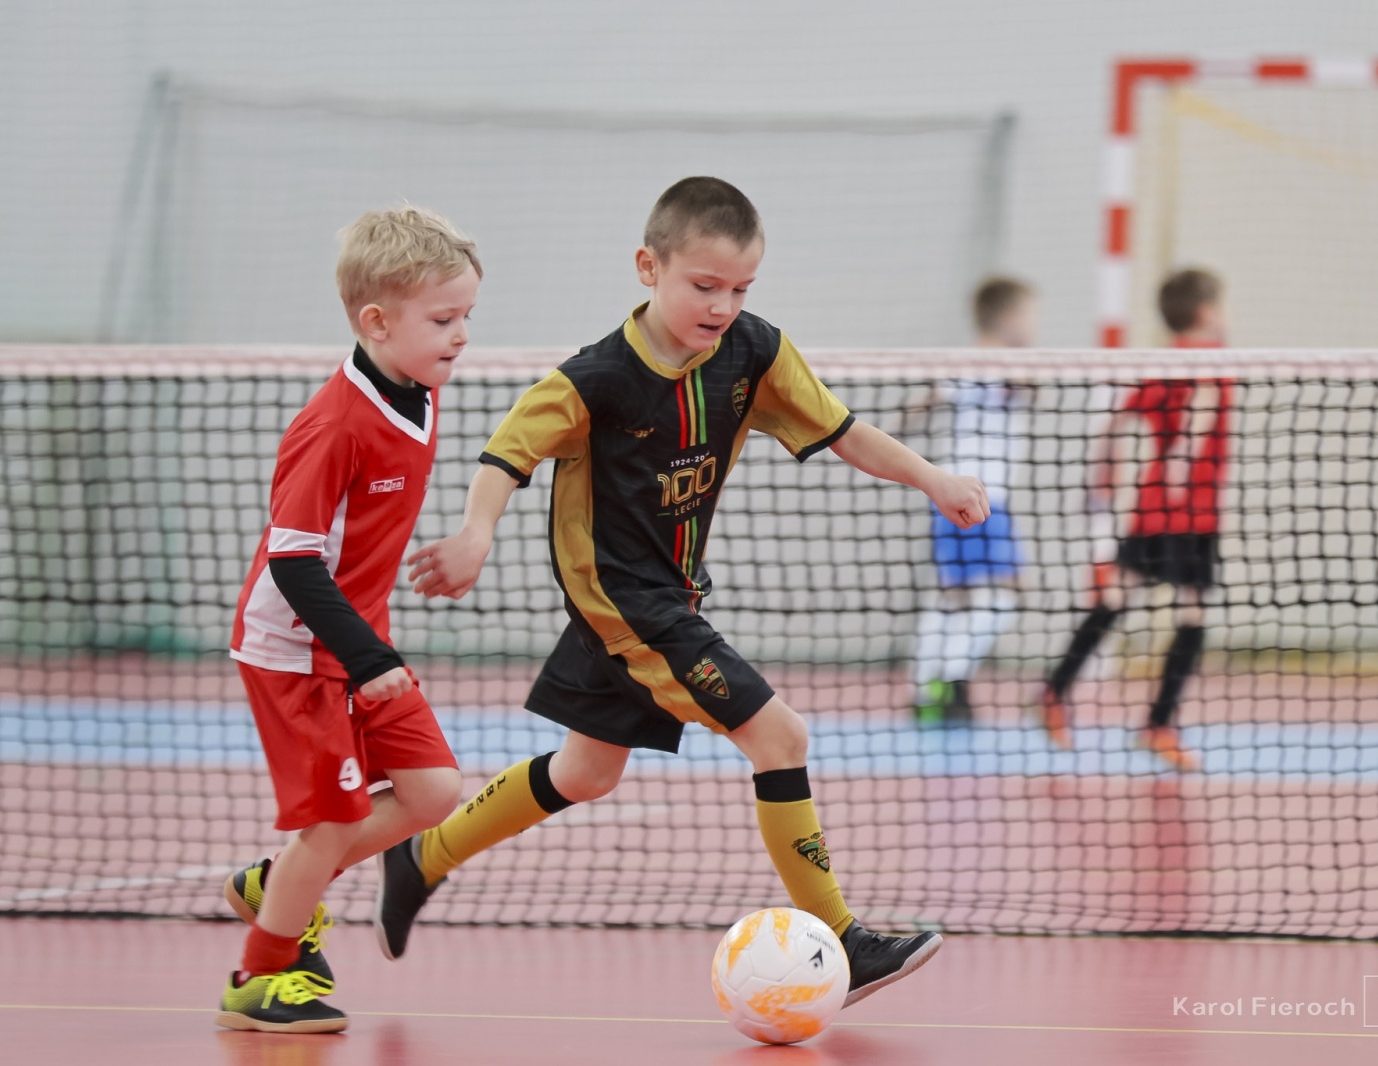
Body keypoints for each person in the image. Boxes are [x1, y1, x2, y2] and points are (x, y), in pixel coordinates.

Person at [379, 177, 989, 1007]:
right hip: (626, 607)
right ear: (649, 267)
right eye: (704, 286)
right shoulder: (596, 378)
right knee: (781, 736)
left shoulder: (754, 352)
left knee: (586, 773)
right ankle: (843, 941)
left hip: (673, 595)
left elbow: (846, 431)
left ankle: (420, 858)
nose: (722, 306)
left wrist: (933, 478)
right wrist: (476, 533)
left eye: (740, 288)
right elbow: (507, 454)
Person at [216, 206, 479, 1033]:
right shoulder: (333, 425)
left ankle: (277, 883)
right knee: (333, 825)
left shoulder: (420, 392)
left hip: (360, 642)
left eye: (466, 316)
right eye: (443, 319)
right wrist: (368, 658)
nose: (461, 335)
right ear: (376, 322)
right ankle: (259, 977)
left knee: (434, 793)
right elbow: (293, 562)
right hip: (298, 653)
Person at [1038, 268, 1232, 772]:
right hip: (1190, 510)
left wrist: (1101, 468)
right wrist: (1184, 454)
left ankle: (1055, 690)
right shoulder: (1209, 355)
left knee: (1117, 597)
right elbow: (1203, 399)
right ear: (1206, 312)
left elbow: (1121, 419)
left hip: (1153, 507)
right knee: (1192, 613)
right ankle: (1158, 724)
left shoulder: (1163, 360)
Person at [903, 277, 1035, 725]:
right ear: (1009, 318)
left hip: (949, 494)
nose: (1034, 327)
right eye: (1029, 317)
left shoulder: (964, 363)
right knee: (1009, 592)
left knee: (953, 596)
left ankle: (924, 687)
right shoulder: (995, 362)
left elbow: (924, 403)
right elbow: (1026, 388)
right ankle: (950, 675)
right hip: (984, 497)